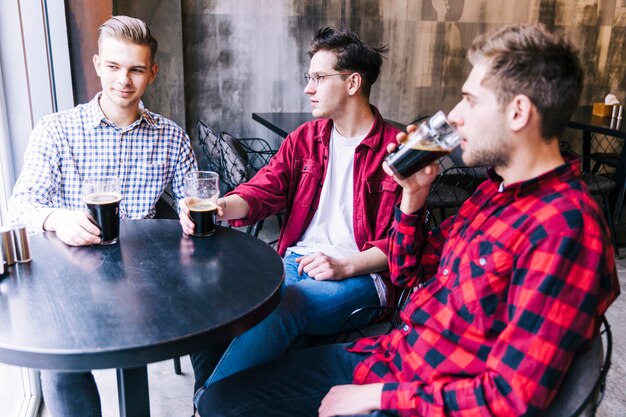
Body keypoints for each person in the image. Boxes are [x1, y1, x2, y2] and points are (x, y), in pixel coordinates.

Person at [194, 24, 620, 417]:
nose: (453, 116)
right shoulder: (492, 193)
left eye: (470, 100)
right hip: (392, 354)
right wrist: (413, 199)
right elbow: (406, 269)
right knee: (222, 385)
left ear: (518, 112)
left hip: (411, 390)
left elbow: (511, 398)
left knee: (225, 402)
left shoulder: (563, 227)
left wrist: (379, 395)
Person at [180, 26, 402, 392]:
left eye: (318, 77)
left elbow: (402, 242)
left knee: (283, 309)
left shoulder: (396, 150)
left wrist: (345, 263)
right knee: (216, 299)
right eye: (308, 77)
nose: (308, 87)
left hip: (361, 276)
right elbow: (261, 191)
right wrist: (219, 207)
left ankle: (207, 406)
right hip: (295, 262)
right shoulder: (306, 139)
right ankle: (220, 399)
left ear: (352, 83)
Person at [8, 16, 197, 417]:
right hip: (71, 277)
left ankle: (211, 405)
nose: (123, 80)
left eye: (136, 69)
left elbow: (194, 201)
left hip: (148, 277)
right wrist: (58, 218)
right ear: (97, 65)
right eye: (113, 67)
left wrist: (191, 212)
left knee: (212, 329)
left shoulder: (171, 137)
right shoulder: (56, 130)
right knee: (59, 366)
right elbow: (20, 205)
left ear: (153, 73)